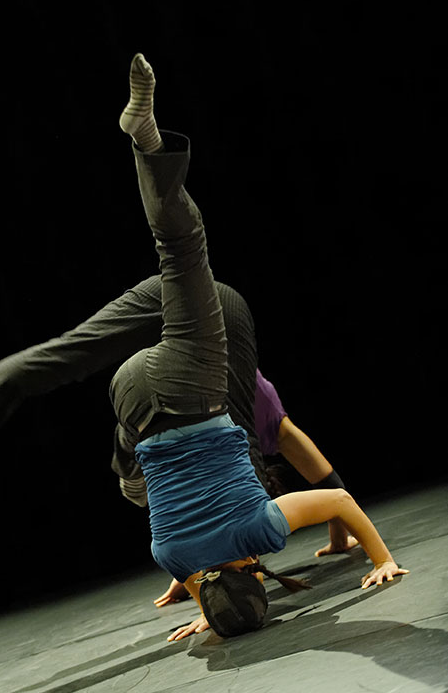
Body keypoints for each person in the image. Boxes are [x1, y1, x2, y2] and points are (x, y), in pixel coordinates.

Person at [107, 53, 407, 642]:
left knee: (183, 251)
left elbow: (339, 498)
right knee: (133, 484)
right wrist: (204, 599)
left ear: (254, 573)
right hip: (130, 394)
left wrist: (384, 561)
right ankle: (144, 145)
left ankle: (149, 145)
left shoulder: (260, 531)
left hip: (200, 374)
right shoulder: (170, 556)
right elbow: (198, 572)